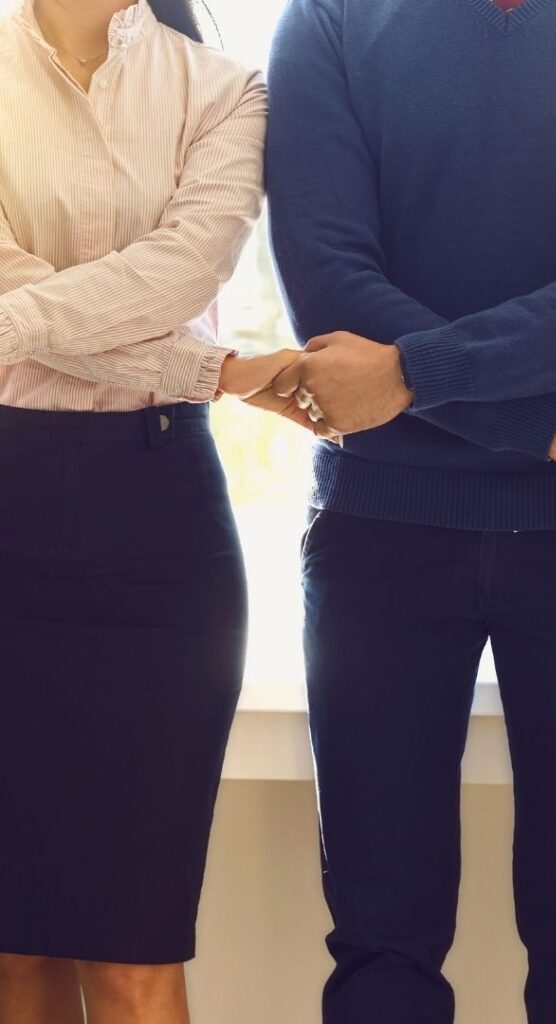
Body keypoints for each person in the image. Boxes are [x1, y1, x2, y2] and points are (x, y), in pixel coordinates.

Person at [263, 0, 556, 1020]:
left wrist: (429, 375)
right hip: (381, 534)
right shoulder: (332, 16)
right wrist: (550, 427)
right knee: (380, 947)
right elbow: (329, 286)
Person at [0, 2, 325, 1022]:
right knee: (12, 949)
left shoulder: (222, 89)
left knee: (138, 954)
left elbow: (183, 272)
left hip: (157, 528)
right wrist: (215, 366)